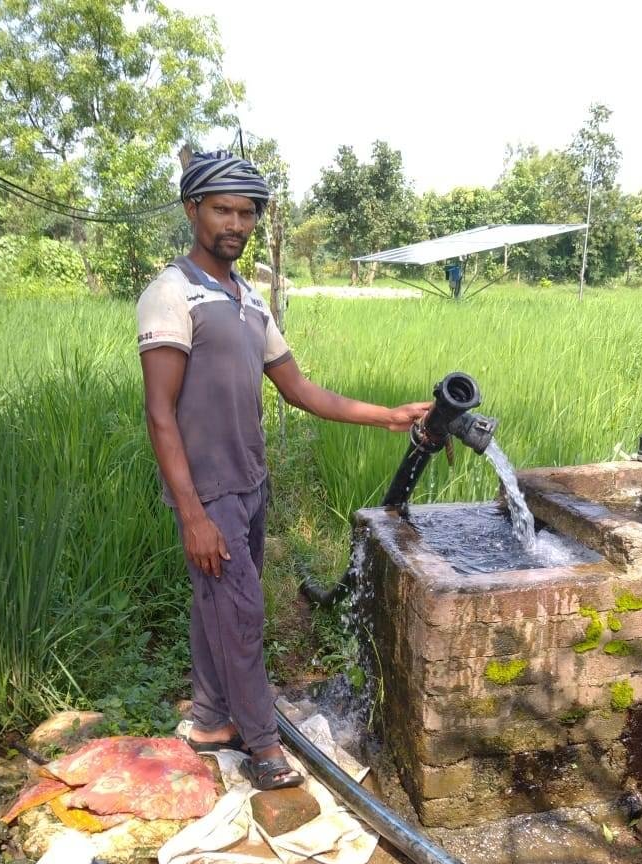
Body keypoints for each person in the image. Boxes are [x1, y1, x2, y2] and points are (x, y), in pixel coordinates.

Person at [136, 149, 430, 791]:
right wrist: (191, 514)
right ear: (192, 210)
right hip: (207, 491)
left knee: (218, 606)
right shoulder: (172, 293)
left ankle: (212, 720)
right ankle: (263, 744)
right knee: (239, 612)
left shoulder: (248, 301)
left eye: (246, 212)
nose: (235, 223)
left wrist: (386, 415)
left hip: (250, 483)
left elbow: (300, 389)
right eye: (222, 210)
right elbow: (160, 415)